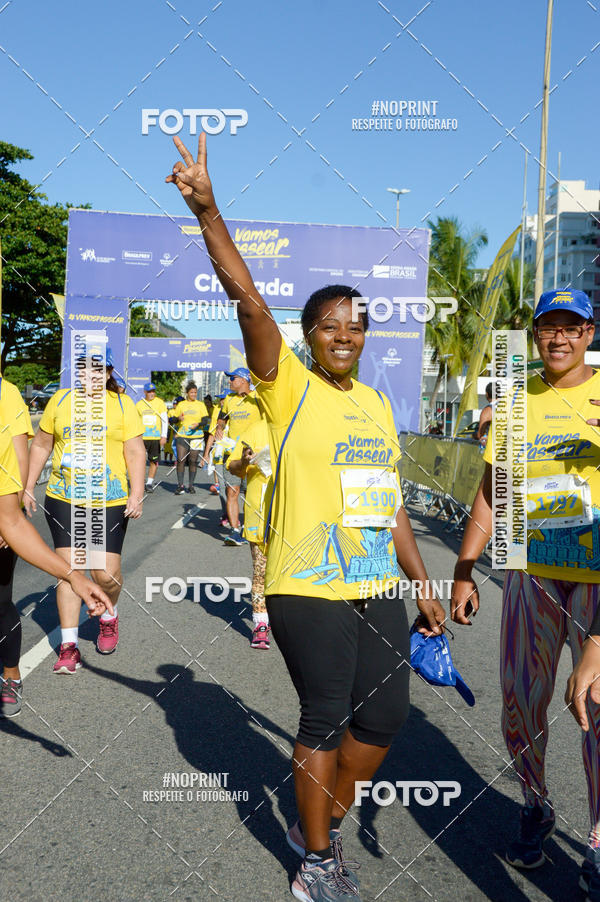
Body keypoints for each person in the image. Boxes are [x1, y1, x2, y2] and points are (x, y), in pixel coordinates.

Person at [167, 133, 446, 901]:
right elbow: (247, 300)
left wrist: (421, 582)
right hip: (304, 581)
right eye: (330, 324)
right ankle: (319, 858)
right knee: (325, 714)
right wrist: (210, 212)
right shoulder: (285, 386)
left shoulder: (378, 406)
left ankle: (311, 820)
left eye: (355, 324)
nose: (345, 334)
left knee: (384, 718)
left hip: (374, 579)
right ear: (309, 335)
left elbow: (385, 504)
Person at [451, 289, 600, 900]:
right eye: (548, 329)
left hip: (597, 583)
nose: (558, 339)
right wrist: (464, 565)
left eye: (572, 328)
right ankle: (535, 805)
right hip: (529, 574)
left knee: (596, 707)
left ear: (590, 333)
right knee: (521, 706)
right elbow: (494, 487)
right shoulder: (513, 398)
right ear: (535, 335)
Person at [24, 346, 145, 670]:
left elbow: (135, 451)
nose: (90, 375)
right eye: (84, 368)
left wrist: (136, 492)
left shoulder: (122, 405)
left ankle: (109, 614)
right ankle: (69, 645)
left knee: (104, 572)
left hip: (110, 498)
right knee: (69, 569)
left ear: (108, 373)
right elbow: (41, 444)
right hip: (64, 497)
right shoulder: (61, 401)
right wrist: (27, 485)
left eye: (98, 369)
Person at [0, 425, 113, 715]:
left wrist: (73, 576)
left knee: (1, 603)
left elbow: (11, 521)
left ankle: (10, 675)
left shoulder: (6, 400)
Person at [0, 375, 34, 715]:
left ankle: (11, 674)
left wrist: (10, 510)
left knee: (0, 601)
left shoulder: (6, 392)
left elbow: (19, 455)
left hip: (1, 508)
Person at [226, 413, 272, 647]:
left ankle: (292, 622)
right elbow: (234, 467)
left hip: (294, 514)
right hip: (259, 513)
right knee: (261, 571)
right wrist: (245, 461)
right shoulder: (254, 429)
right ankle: (260, 625)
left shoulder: (303, 423)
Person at [204, 368, 262, 545]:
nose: (230, 382)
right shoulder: (229, 400)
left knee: (254, 495)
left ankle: (253, 529)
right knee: (232, 492)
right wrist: (220, 427)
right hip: (233, 455)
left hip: (255, 454)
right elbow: (222, 418)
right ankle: (235, 530)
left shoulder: (258, 397)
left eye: (233, 378)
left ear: (244, 379)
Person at [172, 382, 208, 495]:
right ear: (187, 393)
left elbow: (206, 420)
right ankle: (180, 485)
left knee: (193, 461)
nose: (194, 394)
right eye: (191, 392)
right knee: (181, 460)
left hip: (196, 436)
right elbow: (172, 420)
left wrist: (198, 424)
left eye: (195, 392)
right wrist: (178, 418)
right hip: (182, 436)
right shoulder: (181, 404)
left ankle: (191, 485)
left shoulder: (201, 405)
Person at [136, 382, 168, 492]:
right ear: (145, 392)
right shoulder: (139, 404)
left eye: (153, 391)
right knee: (139, 461)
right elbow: (135, 422)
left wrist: (164, 435)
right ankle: (139, 482)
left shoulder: (160, 403)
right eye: (149, 392)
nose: (151, 393)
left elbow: (164, 419)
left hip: (155, 438)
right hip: (142, 438)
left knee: (154, 461)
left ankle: (149, 483)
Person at [475, 382, 493, 449]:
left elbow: (480, 434)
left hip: (491, 449)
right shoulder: (506, 406)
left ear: (487, 394)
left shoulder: (487, 410)